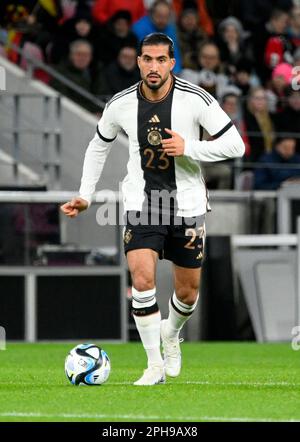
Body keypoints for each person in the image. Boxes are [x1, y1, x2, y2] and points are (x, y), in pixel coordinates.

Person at [60, 33, 245, 385]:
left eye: (161, 60)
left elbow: (236, 145)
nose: (154, 66)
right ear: (139, 61)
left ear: (172, 63)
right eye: (148, 59)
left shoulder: (195, 99)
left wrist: (190, 147)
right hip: (142, 203)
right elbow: (98, 145)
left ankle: (171, 333)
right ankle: (154, 366)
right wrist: (85, 194)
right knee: (142, 279)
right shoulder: (121, 103)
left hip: (187, 203)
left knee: (188, 292)